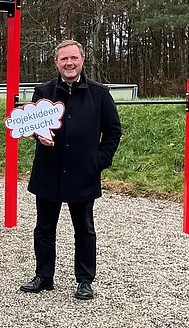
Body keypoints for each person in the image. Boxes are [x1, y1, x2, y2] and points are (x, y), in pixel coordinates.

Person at [20, 39, 122, 300]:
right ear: (56, 62)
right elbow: (34, 125)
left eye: (73, 58)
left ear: (82, 60)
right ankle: (44, 276)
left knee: (84, 229)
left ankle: (85, 280)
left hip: (83, 173)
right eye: (64, 59)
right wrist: (38, 135)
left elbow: (113, 131)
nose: (69, 63)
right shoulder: (43, 92)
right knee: (44, 228)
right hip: (48, 171)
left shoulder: (99, 93)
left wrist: (99, 161)